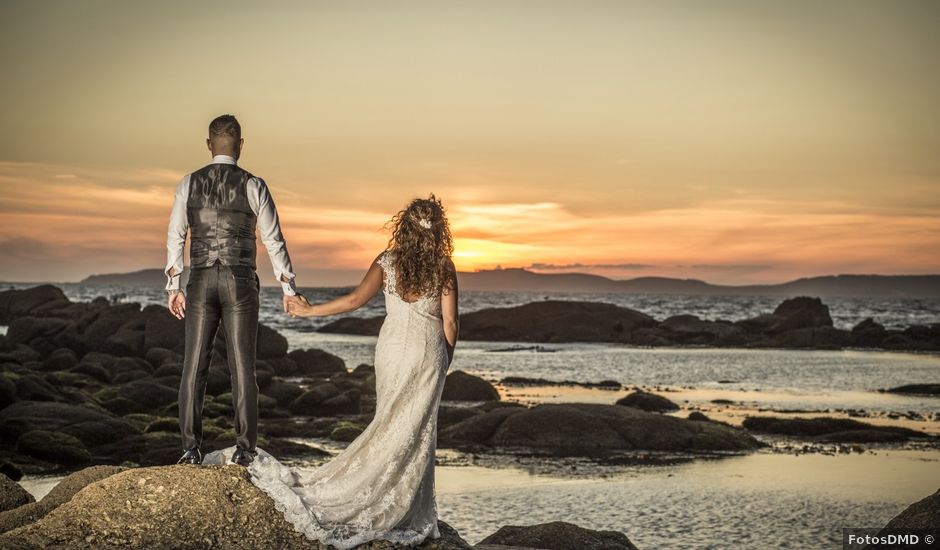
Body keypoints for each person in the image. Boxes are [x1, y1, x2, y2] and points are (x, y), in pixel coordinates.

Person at [204, 194, 459, 549]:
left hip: (392, 349)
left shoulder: (387, 261)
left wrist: (310, 311)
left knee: (388, 423)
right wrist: (445, 358)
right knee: (416, 429)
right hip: (427, 352)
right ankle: (408, 506)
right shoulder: (444, 267)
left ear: (405, 226)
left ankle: (387, 494)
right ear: (439, 229)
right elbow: (449, 321)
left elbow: (354, 300)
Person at [164, 114, 303, 467]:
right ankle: (244, 450)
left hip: (199, 281)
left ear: (209, 146)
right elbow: (274, 240)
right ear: (241, 146)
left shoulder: (188, 183)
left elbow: (176, 236)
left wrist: (173, 285)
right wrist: (288, 288)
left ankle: (190, 450)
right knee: (243, 368)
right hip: (240, 280)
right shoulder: (254, 185)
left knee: (194, 366)